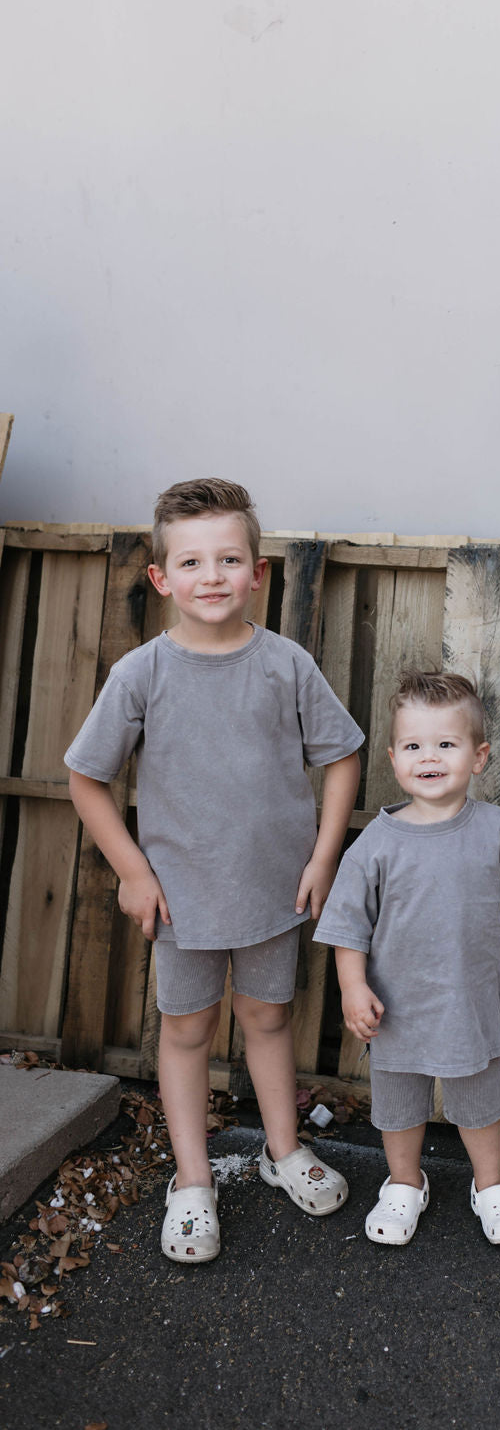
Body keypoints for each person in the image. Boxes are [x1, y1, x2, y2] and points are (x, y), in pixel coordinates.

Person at [65, 477, 364, 1264]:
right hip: (181, 900)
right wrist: (132, 868)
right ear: (162, 577)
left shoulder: (286, 665)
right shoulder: (141, 675)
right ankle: (193, 1179)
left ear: (257, 572)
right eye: (192, 561)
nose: (212, 575)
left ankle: (281, 1150)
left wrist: (325, 853)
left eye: (229, 558)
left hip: (275, 890)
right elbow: (86, 780)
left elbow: (342, 757)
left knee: (268, 1019)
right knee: (190, 1029)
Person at [313, 669, 500, 1248]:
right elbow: (347, 925)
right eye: (414, 745)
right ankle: (403, 1183)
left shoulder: (497, 829)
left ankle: (490, 1184)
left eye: (446, 743)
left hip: (467, 1004)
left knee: (479, 1102)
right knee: (398, 1107)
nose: (429, 757)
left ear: (478, 755)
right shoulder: (376, 843)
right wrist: (351, 986)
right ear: (393, 757)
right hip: (394, 1009)